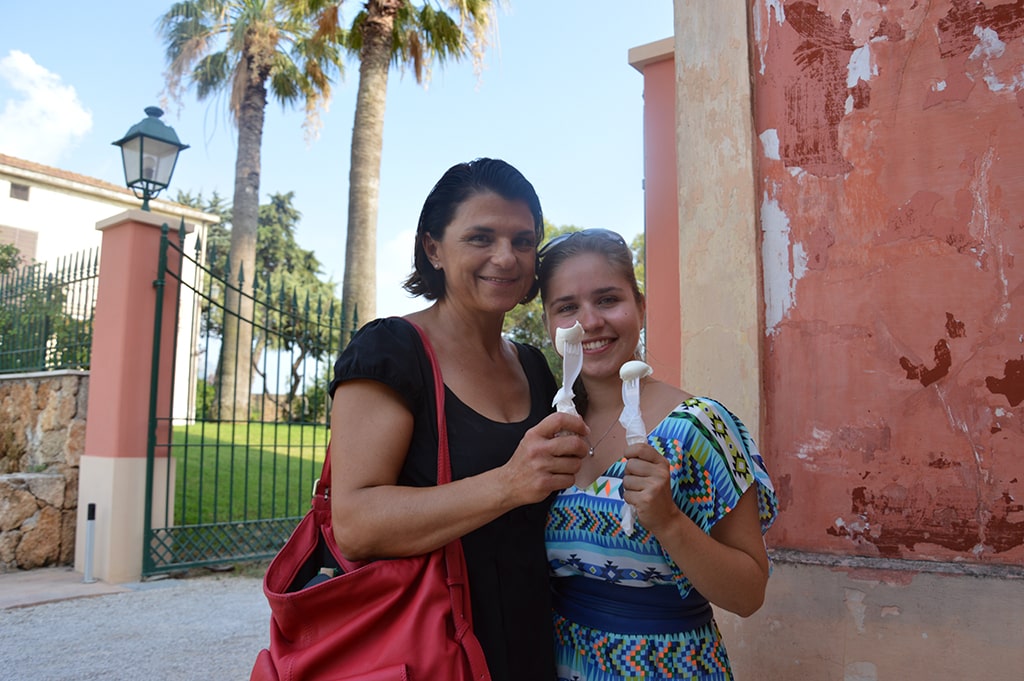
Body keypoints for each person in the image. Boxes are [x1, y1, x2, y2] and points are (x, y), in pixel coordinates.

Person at [327, 158, 590, 681]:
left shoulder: (537, 369)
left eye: (522, 240)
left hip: (531, 643)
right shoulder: (391, 351)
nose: (506, 257)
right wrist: (509, 483)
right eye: (481, 237)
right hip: (429, 647)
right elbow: (354, 524)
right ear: (433, 248)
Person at [538, 228, 778, 681]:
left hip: (668, 668)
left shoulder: (700, 426)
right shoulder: (547, 430)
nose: (588, 322)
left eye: (608, 299)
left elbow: (749, 595)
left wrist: (669, 521)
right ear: (551, 324)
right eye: (567, 307)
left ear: (641, 307)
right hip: (559, 660)